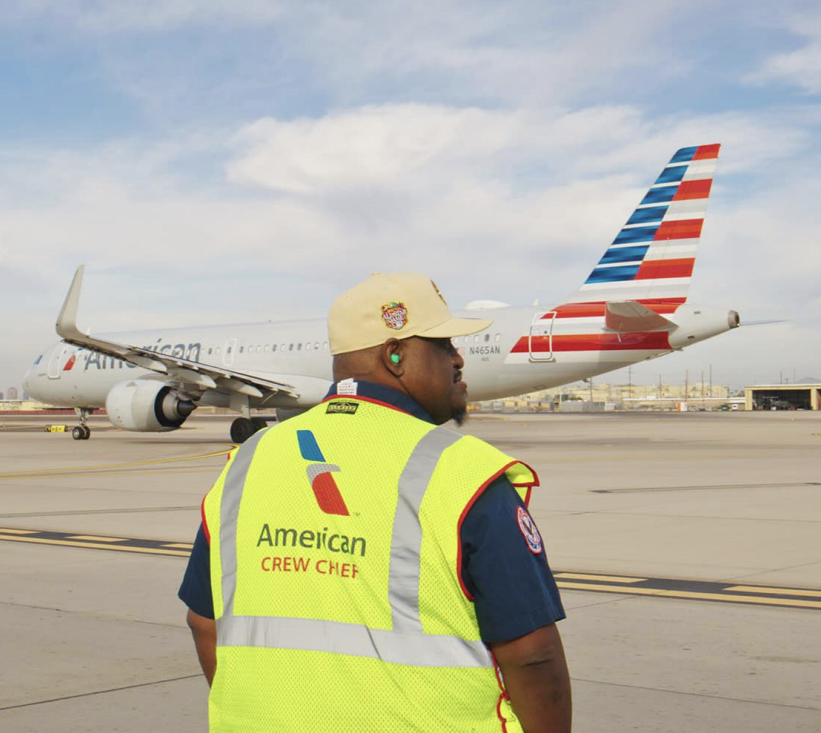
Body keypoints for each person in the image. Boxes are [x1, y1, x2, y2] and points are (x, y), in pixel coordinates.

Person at [179, 272, 571, 732]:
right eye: (444, 345)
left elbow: (205, 624)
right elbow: (532, 656)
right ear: (396, 355)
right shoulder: (464, 474)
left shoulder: (246, 464)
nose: (458, 358)